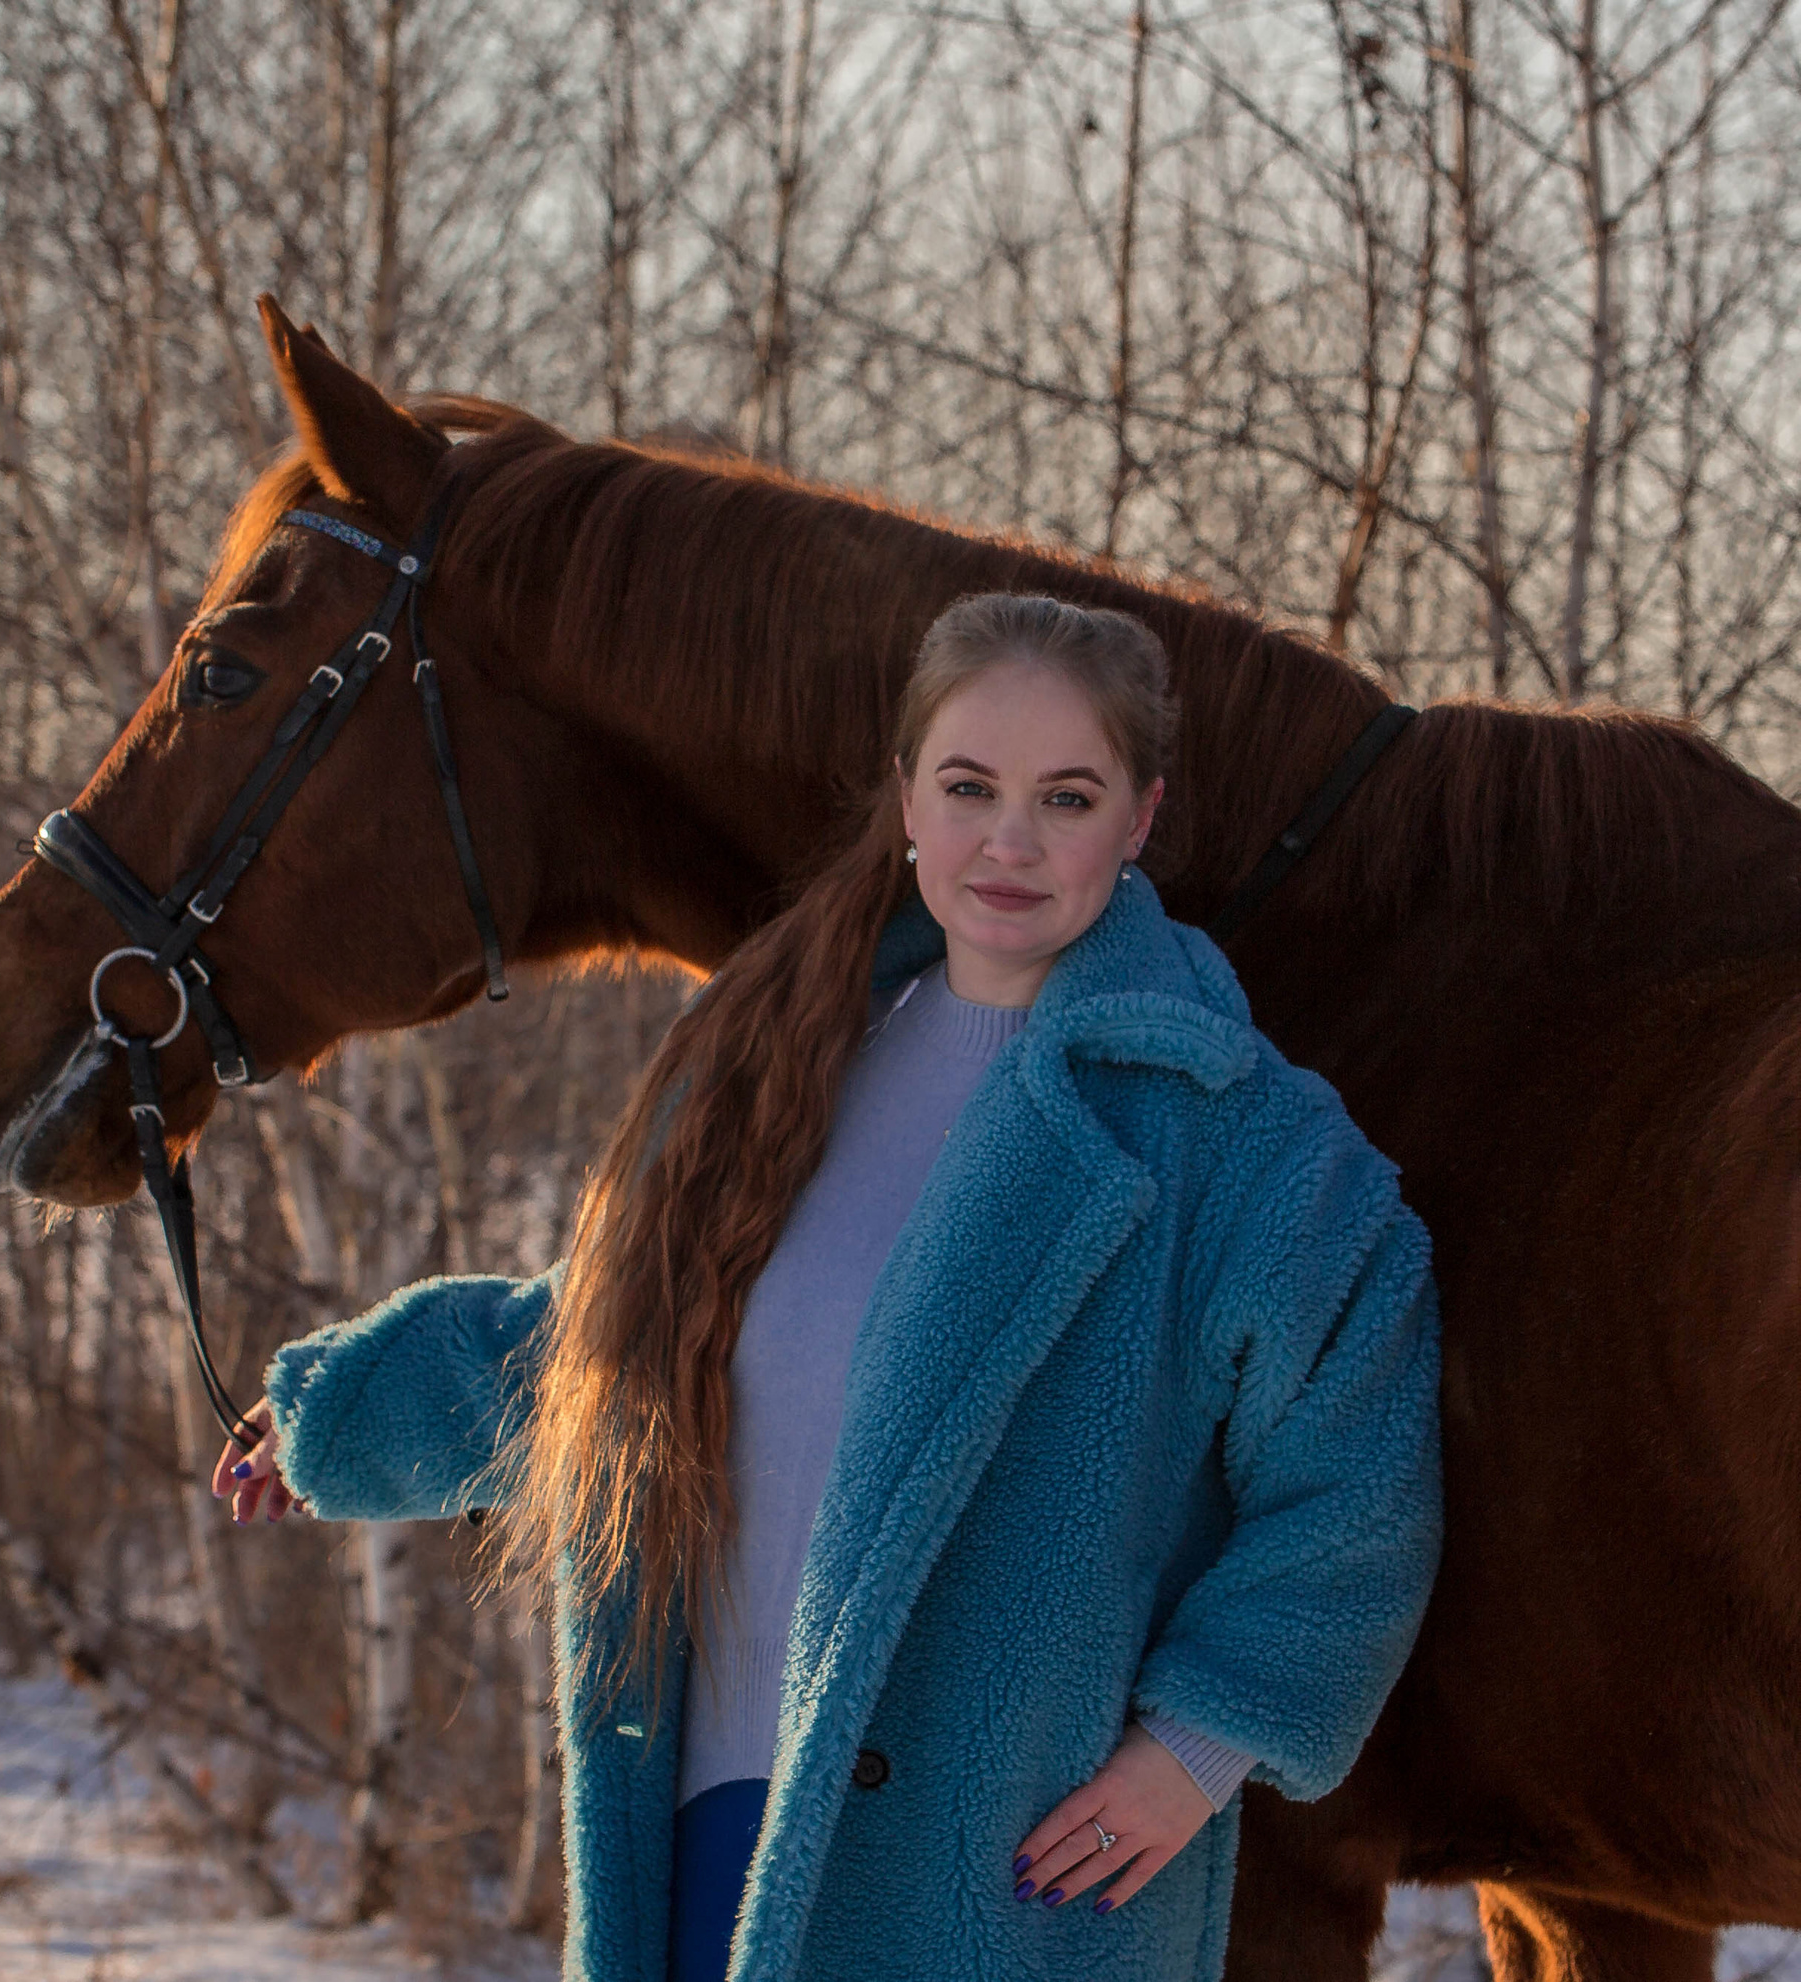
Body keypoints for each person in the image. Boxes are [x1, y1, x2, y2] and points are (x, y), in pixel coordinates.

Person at [210, 592, 1444, 1982]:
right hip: (705, 1816)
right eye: (970, 787)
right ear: (908, 796)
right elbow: (614, 1346)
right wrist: (341, 1420)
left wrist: (1197, 1750)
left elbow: (1360, 1484)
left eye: (1067, 796)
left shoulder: (1242, 1141)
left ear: (1140, 818)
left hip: (987, 1882)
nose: (1010, 841)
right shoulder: (784, 1055)